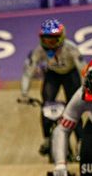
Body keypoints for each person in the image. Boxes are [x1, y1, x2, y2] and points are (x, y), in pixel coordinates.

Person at [19, 19, 84, 157]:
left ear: (61, 38)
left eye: (52, 40)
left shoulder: (71, 47)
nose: (49, 44)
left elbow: (83, 69)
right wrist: (24, 92)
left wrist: (86, 87)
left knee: (75, 107)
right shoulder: (39, 50)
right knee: (46, 106)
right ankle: (47, 139)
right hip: (52, 75)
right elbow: (28, 71)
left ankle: (81, 142)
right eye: (45, 40)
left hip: (71, 75)